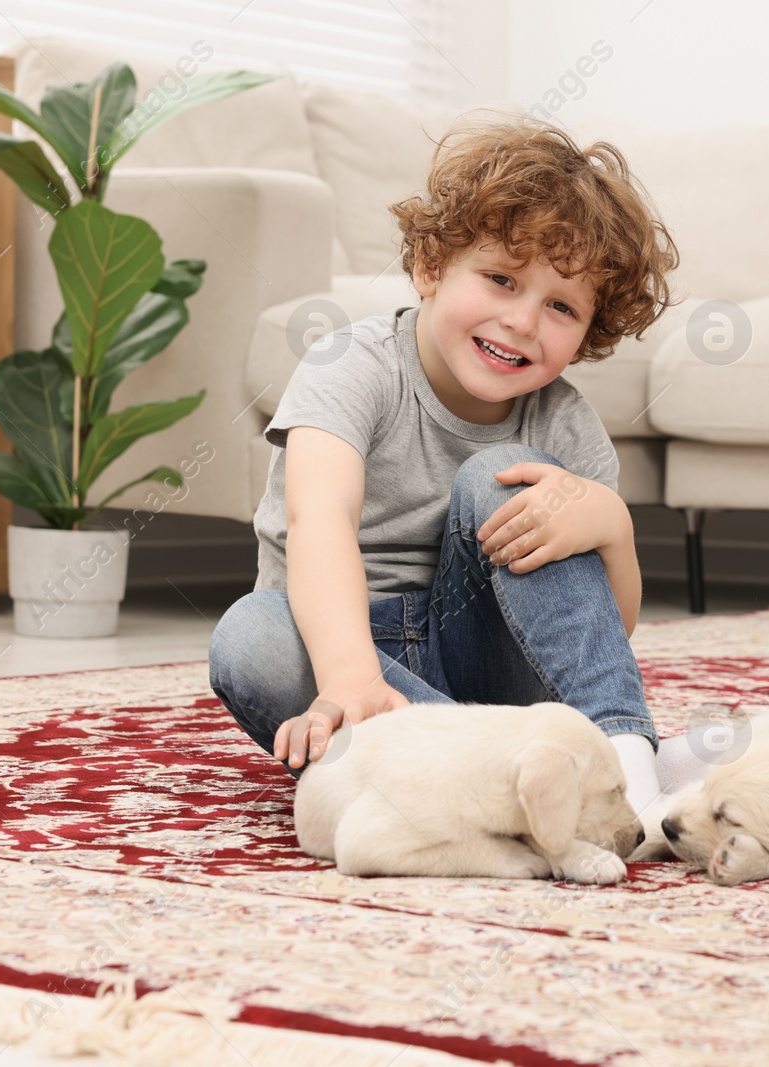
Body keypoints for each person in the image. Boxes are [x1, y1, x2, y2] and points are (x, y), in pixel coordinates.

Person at [207, 112, 679, 814]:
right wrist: (349, 677)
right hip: (349, 650)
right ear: (430, 267)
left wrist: (611, 526)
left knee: (509, 475)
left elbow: (607, 627)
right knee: (249, 636)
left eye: (560, 306)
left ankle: (624, 761)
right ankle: (512, 777)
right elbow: (319, 517)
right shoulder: (351, 365)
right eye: (500, 278)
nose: (522, 320)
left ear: (585, 335)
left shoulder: (563, 421)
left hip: (491, 655)